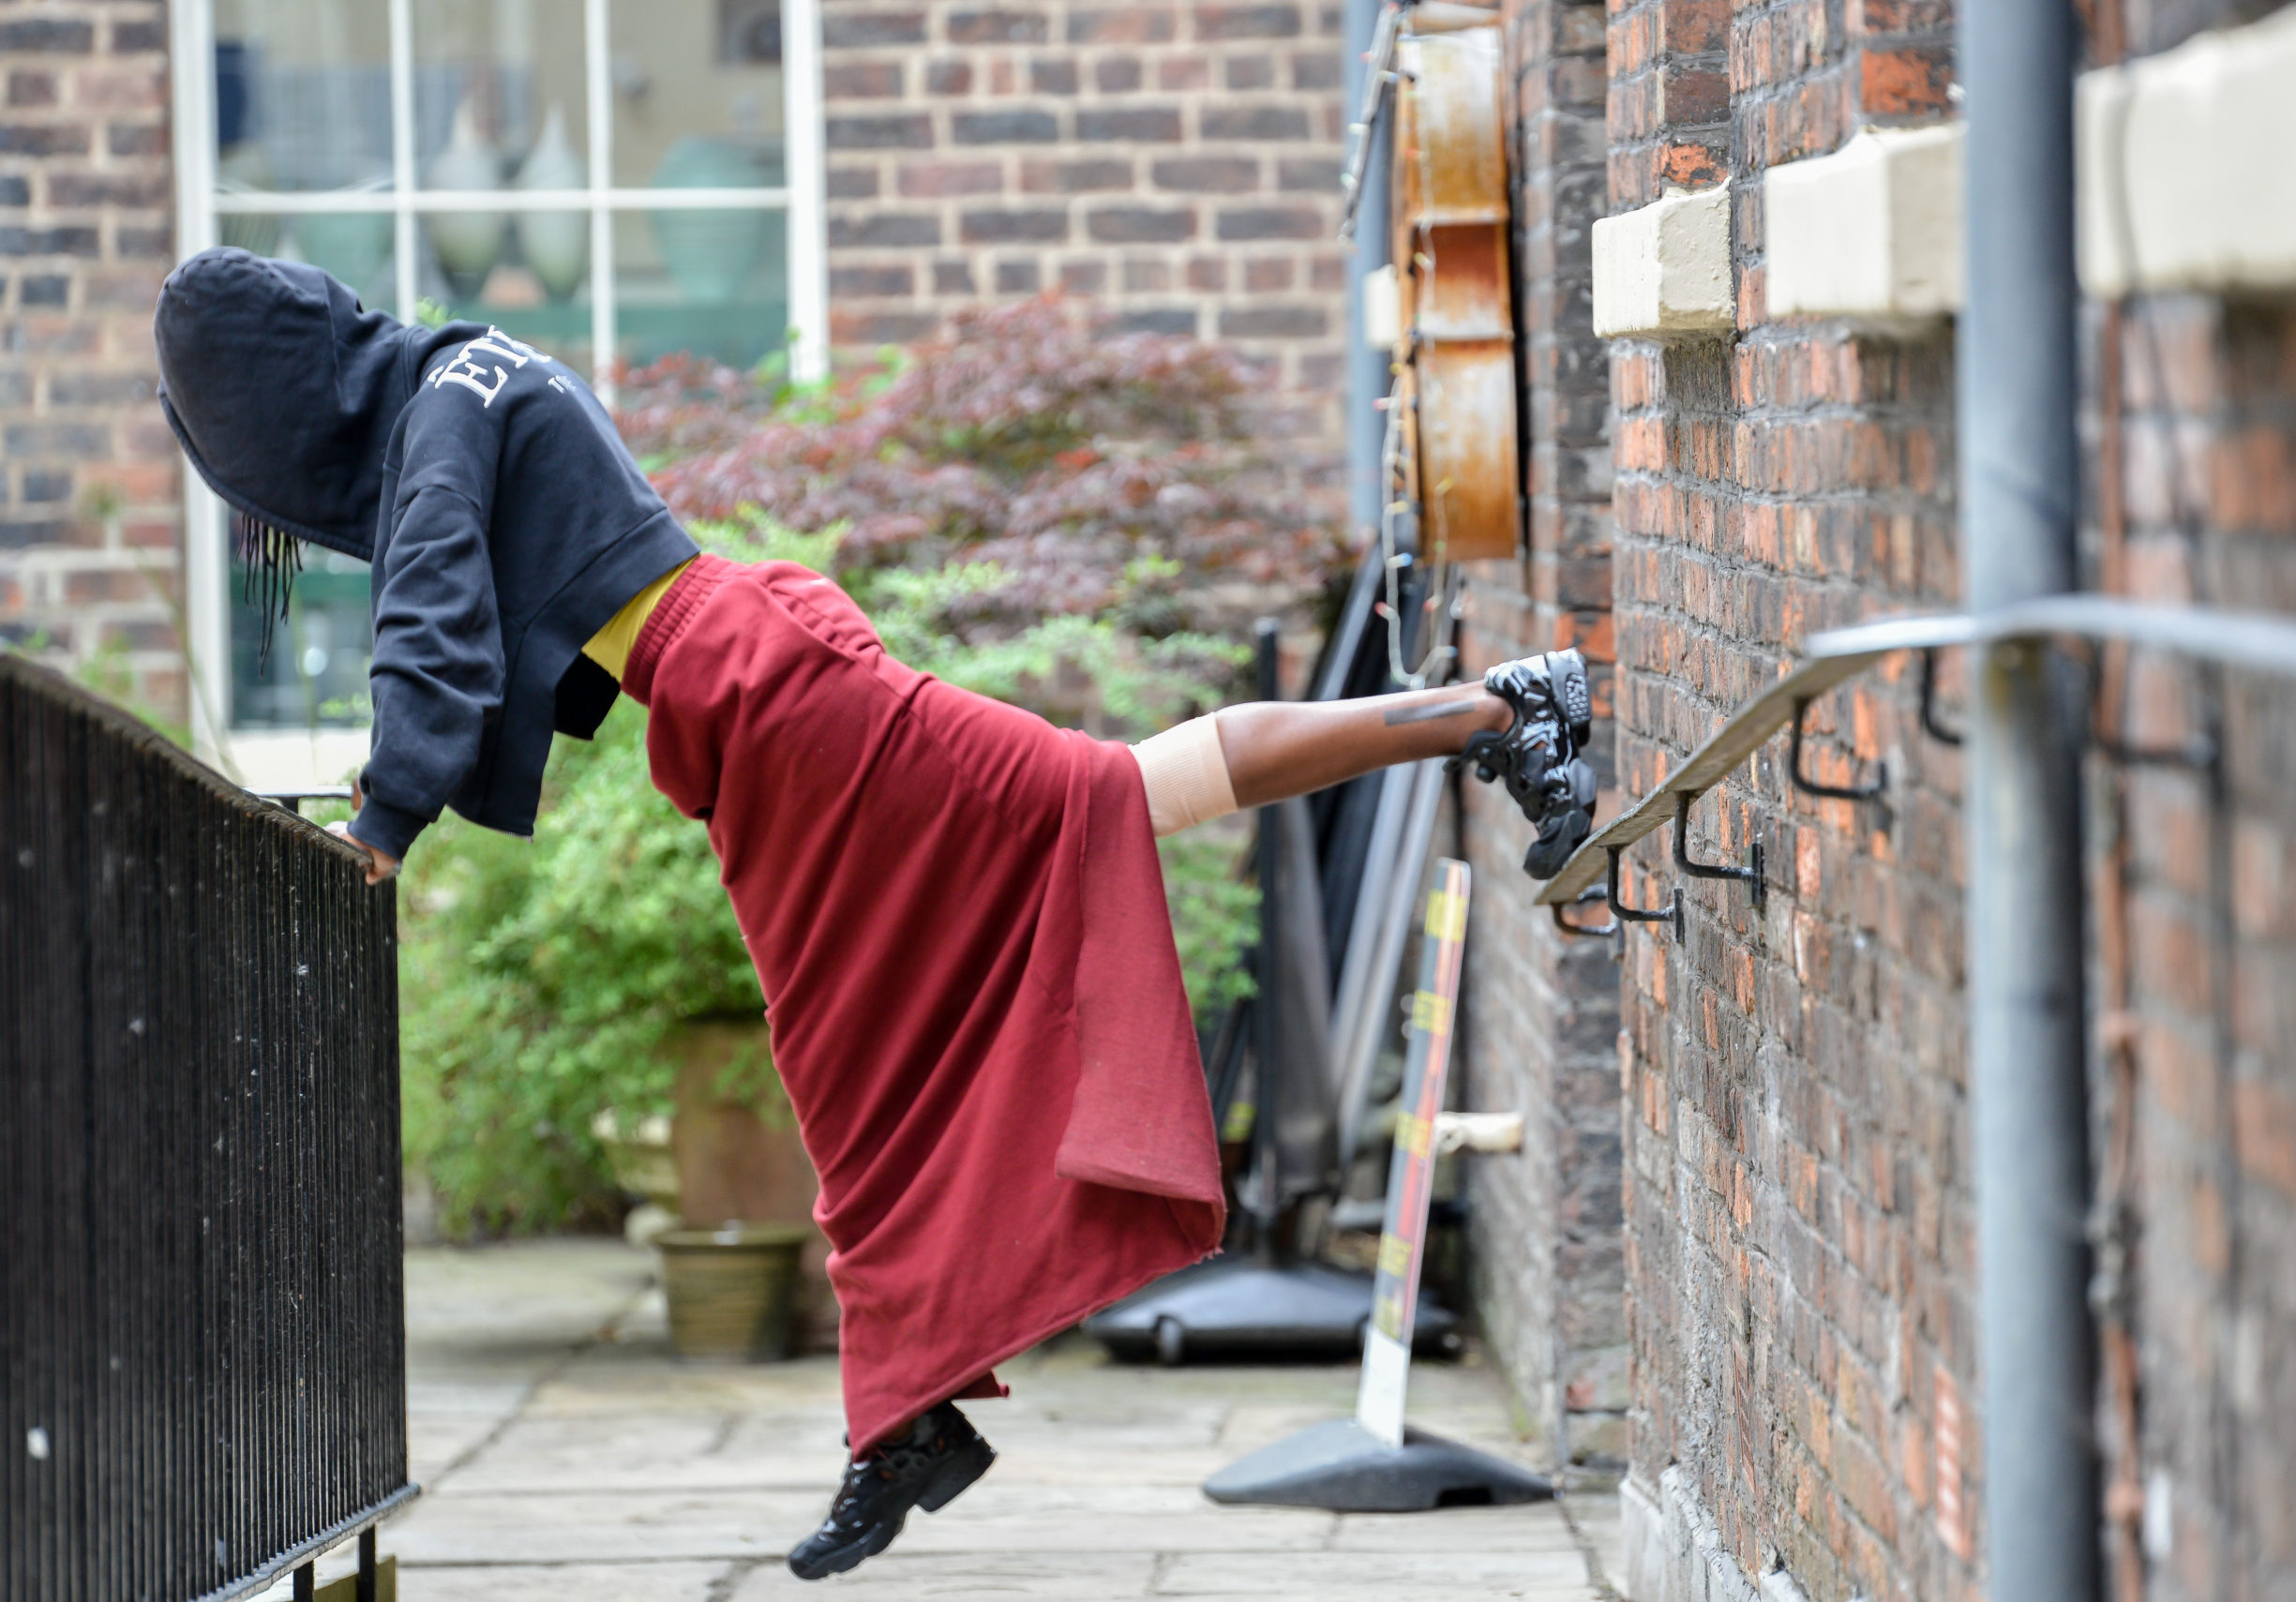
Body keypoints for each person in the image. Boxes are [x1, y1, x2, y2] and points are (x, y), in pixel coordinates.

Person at [155, 248, 1598, 1582]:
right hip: (747, 697)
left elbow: (431, 616)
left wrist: (384, 822)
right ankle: (906, 1414)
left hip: (766, 690)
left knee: (1099, 804)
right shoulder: (471, 368)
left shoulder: (438, 413)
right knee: (857, 1062)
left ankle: (1497, 709)